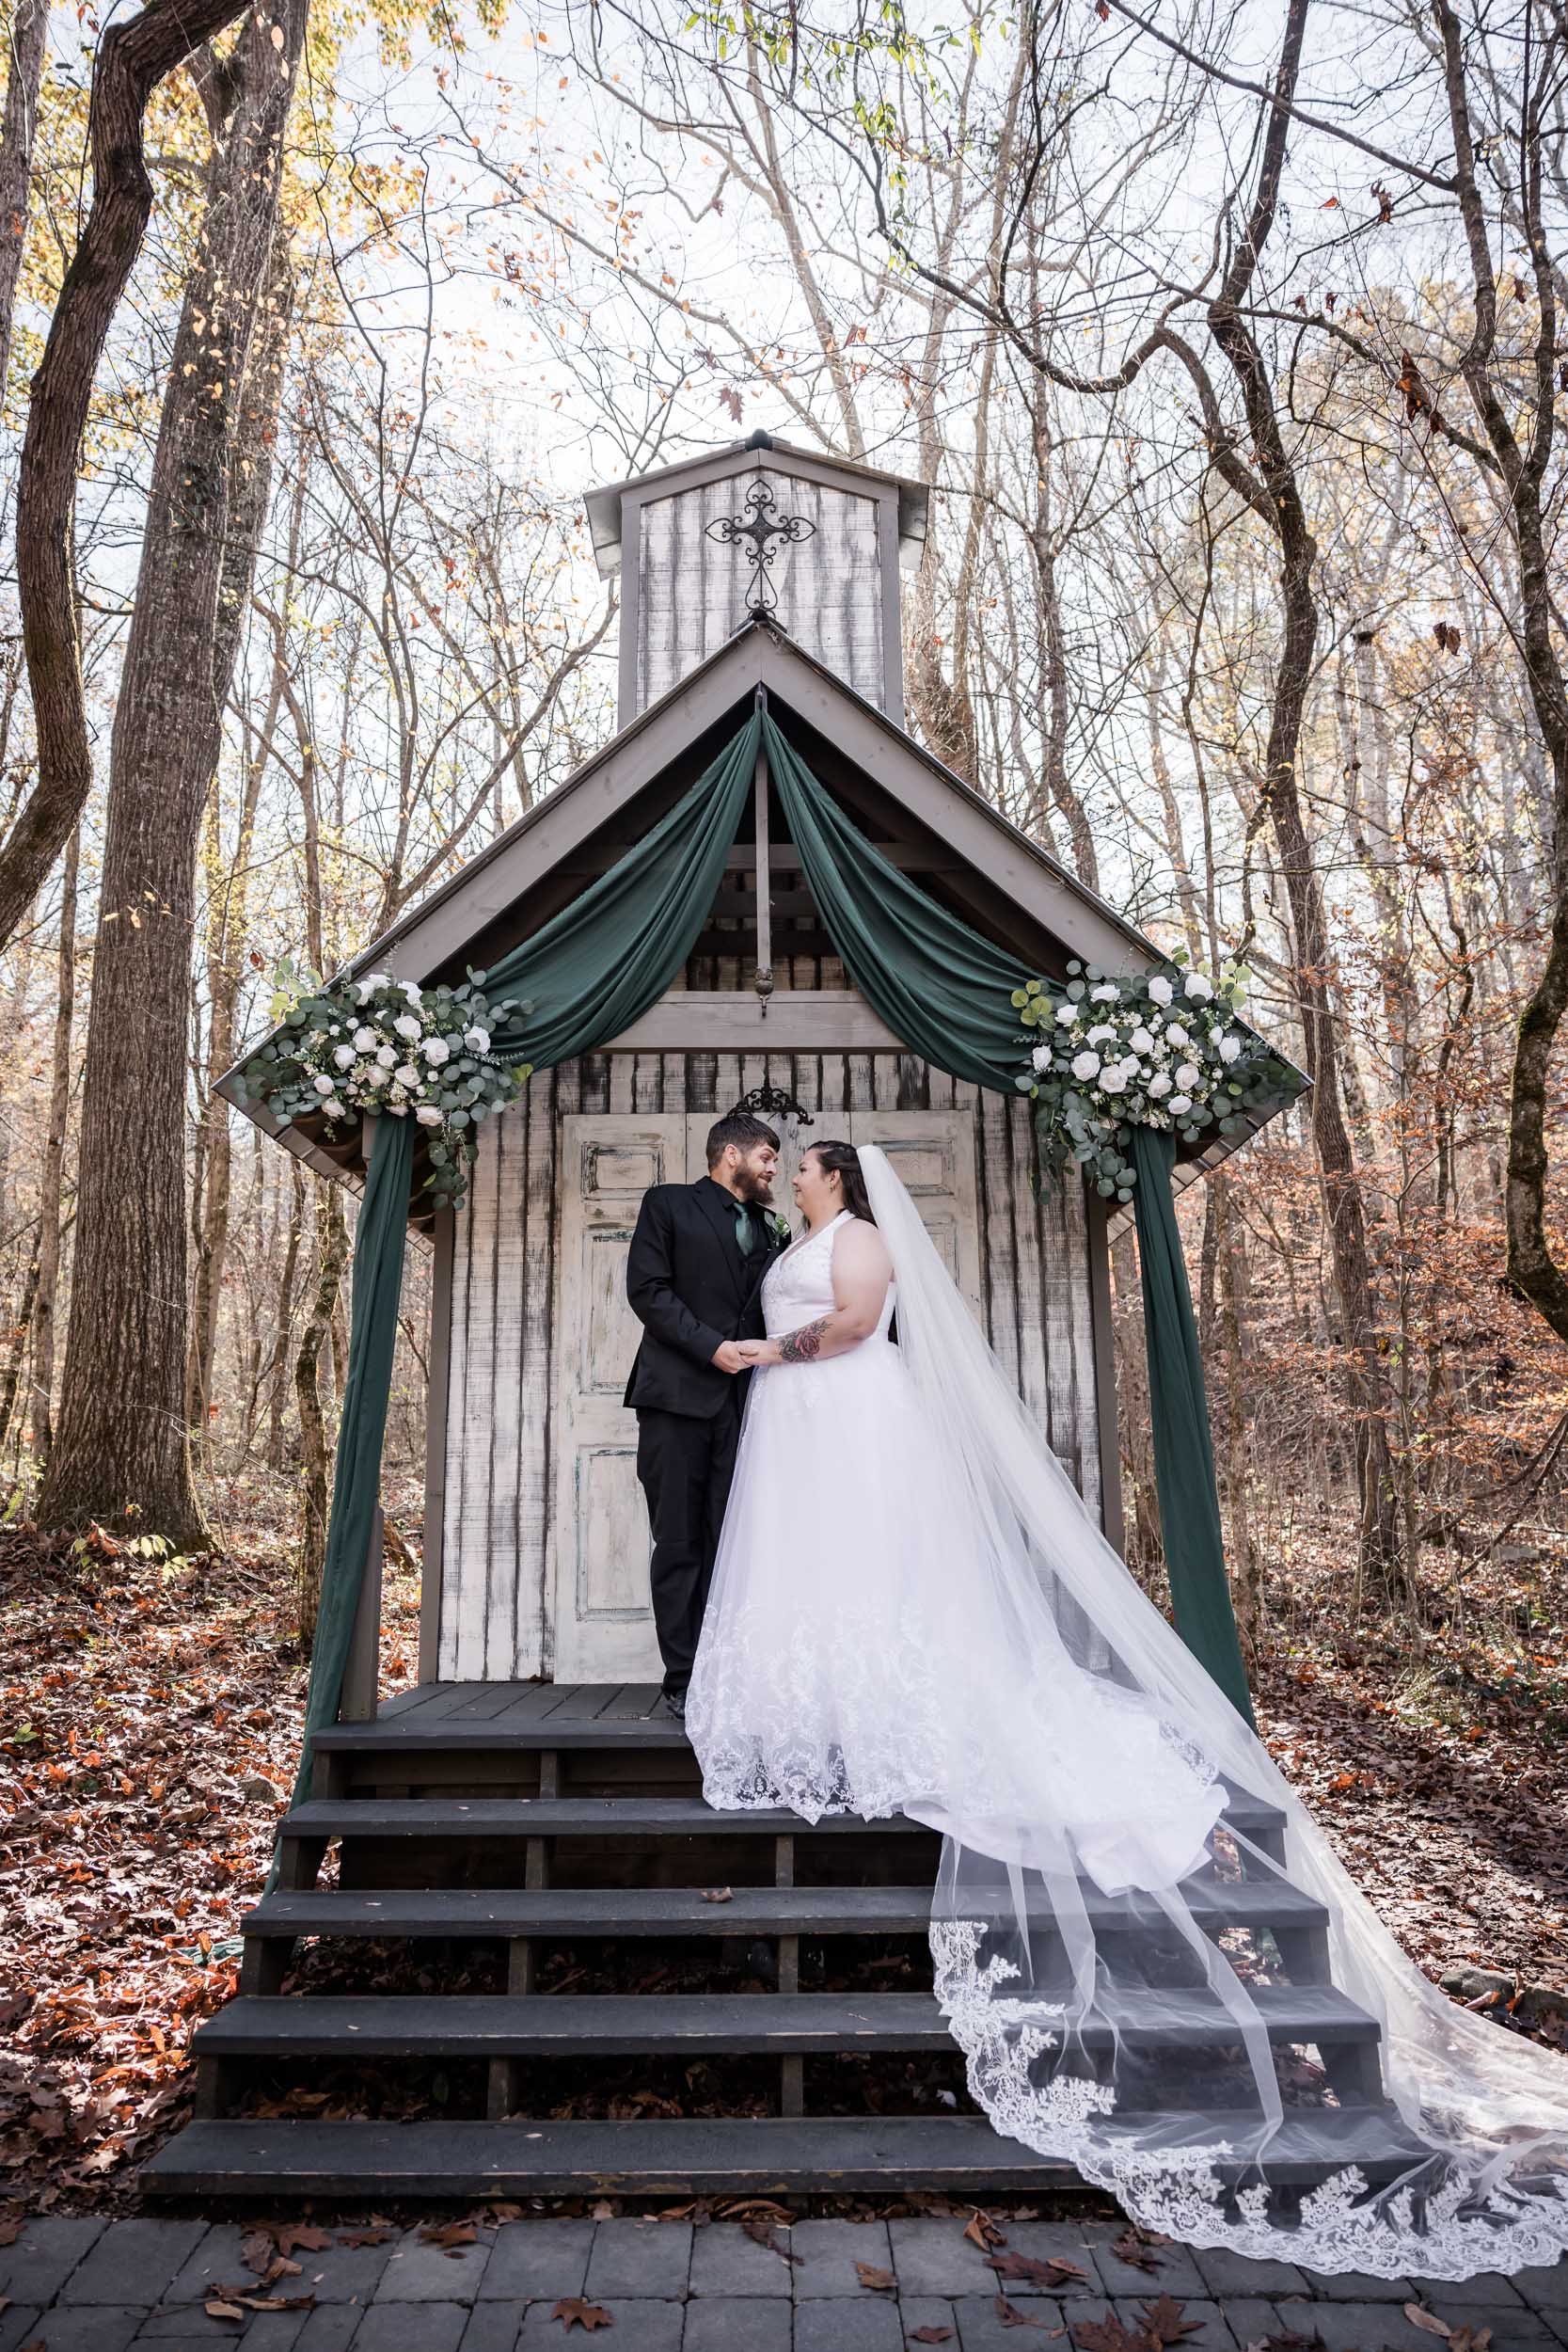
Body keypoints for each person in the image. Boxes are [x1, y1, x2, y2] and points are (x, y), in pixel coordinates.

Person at [685, 1137, 1568, 2280]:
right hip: (795, 1423)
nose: (793, 1175)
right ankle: (818, 1713)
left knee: (869, 1570)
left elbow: (855, 1326)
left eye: (803, 1165)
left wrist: (772, 1346)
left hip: (843, 1407)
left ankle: (893, 1709)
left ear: (838, 1180)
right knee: (809, 1570)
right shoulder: (795, 1237)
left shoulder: (856, 1240)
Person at [623, 1111, 788, 1718]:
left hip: (748, 1406)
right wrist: (708, 1346)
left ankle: (731, 1672)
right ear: (732, 1156)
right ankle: (683, 1680)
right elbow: (649, 1290)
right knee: (679, 1540)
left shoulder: (773, 1228)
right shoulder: (667, 1204)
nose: (775, 1169)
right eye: (767, 1157)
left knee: (734, 1542)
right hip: (675, 1400)